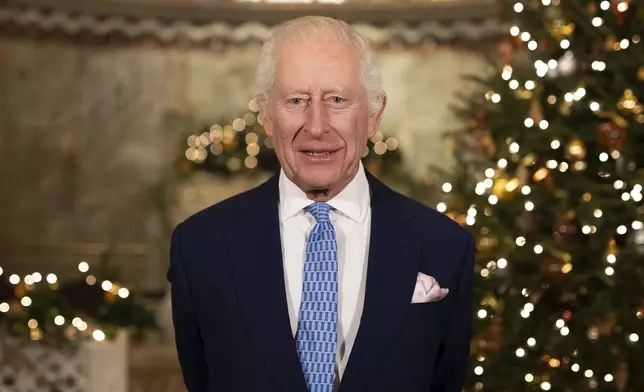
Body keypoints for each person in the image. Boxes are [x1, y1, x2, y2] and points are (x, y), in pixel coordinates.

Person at [168, 15, 475, 392]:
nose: (316, 126)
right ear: (266, 114)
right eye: (296, 100)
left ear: (373, 115)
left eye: (337, 100)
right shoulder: (200, 247)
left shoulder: (444, 248)